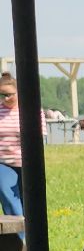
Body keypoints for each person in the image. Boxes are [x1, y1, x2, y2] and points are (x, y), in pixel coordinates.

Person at [0, 79, 49, 218]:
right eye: (2, 95)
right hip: (3, 162)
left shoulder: (32, 110)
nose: (6, 98)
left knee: (28, 199)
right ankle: (19, 236)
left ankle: (31, 232)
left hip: (27, 163)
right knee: (7, 195)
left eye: (9, 94)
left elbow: (39, 137)